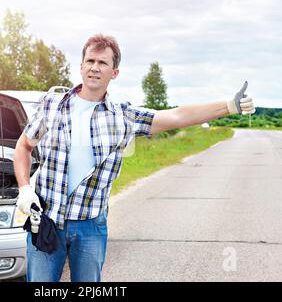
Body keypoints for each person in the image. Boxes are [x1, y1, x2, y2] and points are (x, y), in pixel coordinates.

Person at [13, 34, 255, 282]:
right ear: (81, 66)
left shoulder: (123, 116)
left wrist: (229, 106)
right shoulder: (52, 104)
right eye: (90, 60)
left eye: (103, 63)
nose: (95, 68)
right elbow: (23, 146)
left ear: (114, 72)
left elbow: (177, 116)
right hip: (46, 221)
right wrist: (24, 189)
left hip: (90, 227)